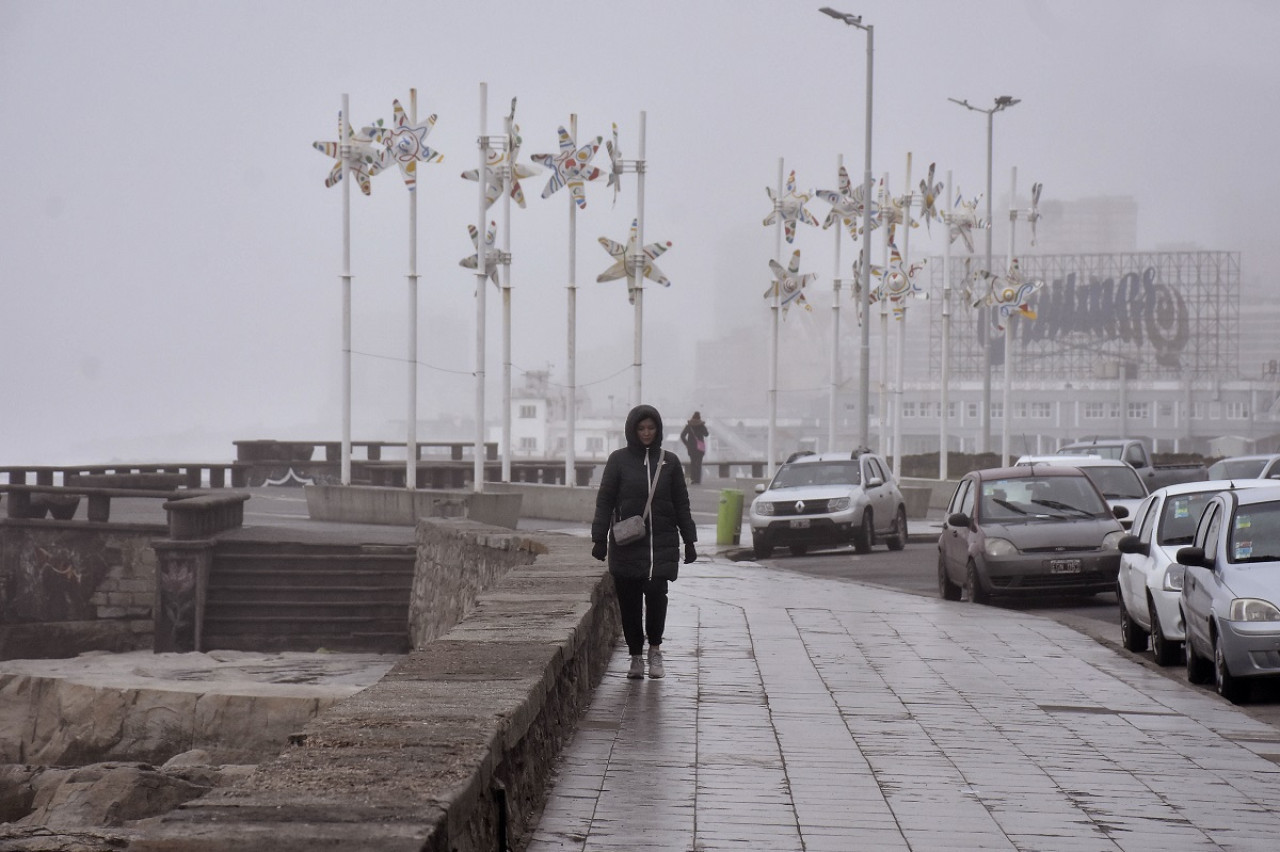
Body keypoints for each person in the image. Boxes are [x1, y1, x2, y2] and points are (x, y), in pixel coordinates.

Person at [591, 404, 697, 679]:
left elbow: (681, 504)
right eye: (641, 428)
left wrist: (690, 540)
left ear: (658, 430)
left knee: (657, 595)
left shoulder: (670, 462)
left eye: (651, 428)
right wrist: (599, 539)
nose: (647, 433)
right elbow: (604, 502)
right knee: (629, 602)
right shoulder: (618, 460)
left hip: (661, 544)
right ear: (632, 430)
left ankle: (655, 650)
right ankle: (636, 656)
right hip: (627, 544)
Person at [679, 411, 710, 485]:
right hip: (700, 448)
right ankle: (698, 480)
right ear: (699, 417)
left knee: (692, 463)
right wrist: (703, 426)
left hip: (691, 448)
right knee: (698, 463)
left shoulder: (689, 426)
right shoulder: (701, 426)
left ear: (692, 417)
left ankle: (693, 479)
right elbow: (706, 434)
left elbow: (682, 436)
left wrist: (687, 444)